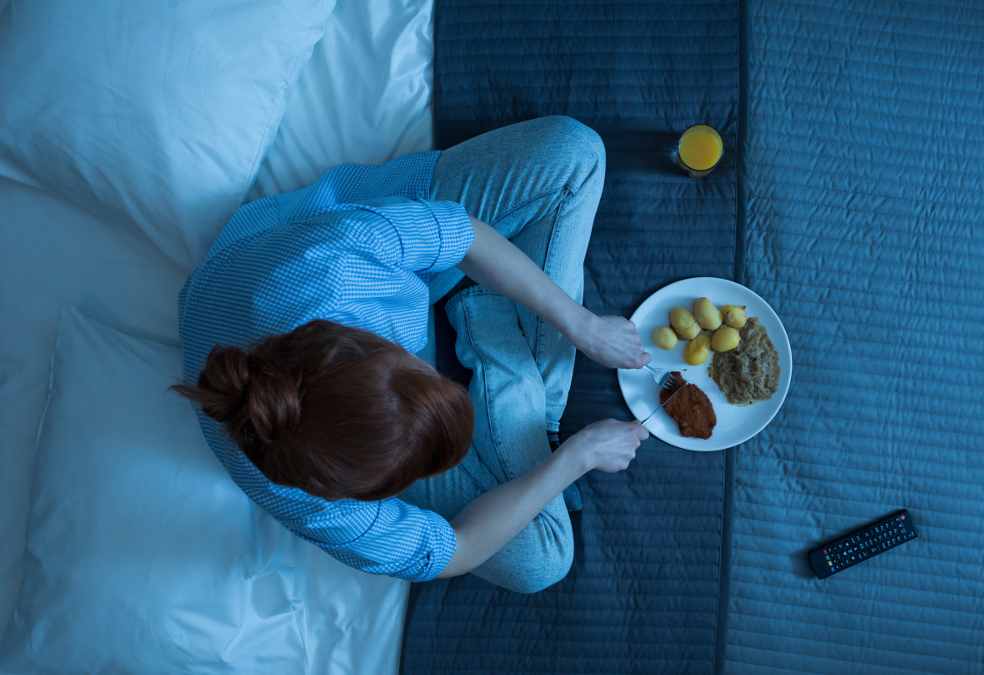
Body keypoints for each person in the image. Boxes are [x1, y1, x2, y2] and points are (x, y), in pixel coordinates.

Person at [171, 116, 653, 594]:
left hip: (316, 260)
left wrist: (582, 325)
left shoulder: (342, 259)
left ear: (381, 342)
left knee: (575, 150)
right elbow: (459, 551)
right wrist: (574, 456)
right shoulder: (320, 507)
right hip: (321, 371)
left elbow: (465, 235)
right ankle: (519, 384)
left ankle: (506, 362)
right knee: (540, 561)